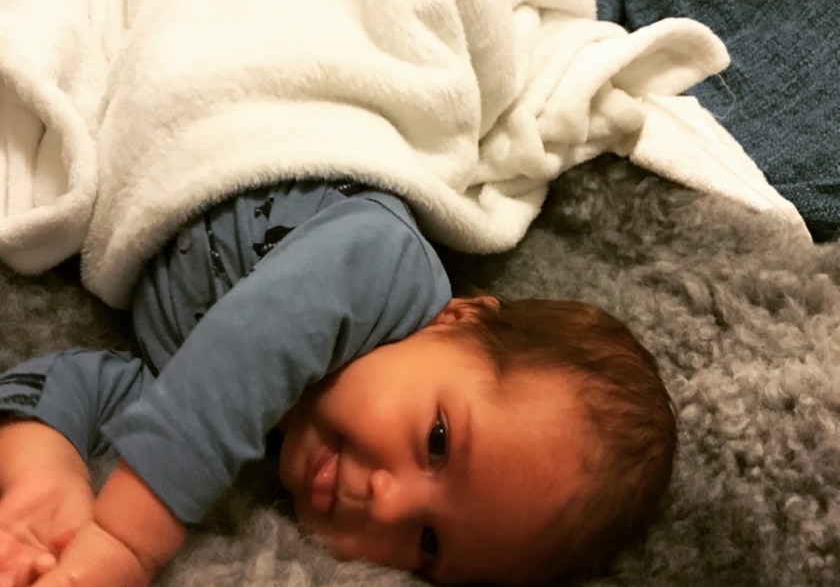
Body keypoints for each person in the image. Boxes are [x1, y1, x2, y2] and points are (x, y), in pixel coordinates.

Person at [0, 178, 676, 586]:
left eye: (428, 543)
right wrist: (124, 540)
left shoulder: (247, 447)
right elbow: (246, 350)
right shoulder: (388, 269)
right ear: (458, 319)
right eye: (438, 442)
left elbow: (66, 385)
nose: (386, 502)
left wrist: (46, 484)